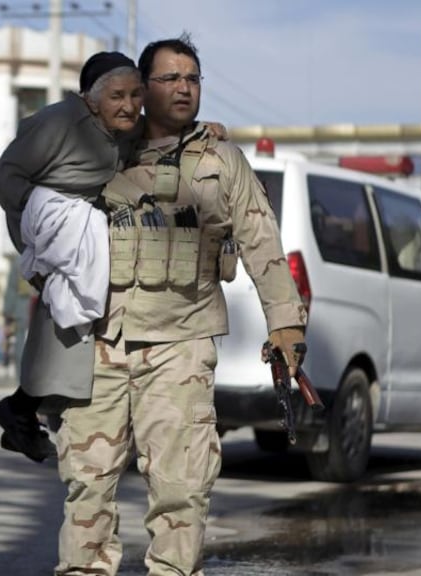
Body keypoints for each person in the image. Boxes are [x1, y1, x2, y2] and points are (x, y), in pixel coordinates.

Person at [55, 35, 308, 575]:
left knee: (181, 488)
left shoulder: (222, 159)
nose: (183, 88)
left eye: (192, 79)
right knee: (87, 485)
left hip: (182, 346)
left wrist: (285, 325)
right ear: (142, 88)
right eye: (169, 78)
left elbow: (262, 241)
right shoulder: (100, 149)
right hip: (101, 342)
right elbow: (38, 207)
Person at [0, 51, 145, 464]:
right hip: (43, 221)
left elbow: (168, 132)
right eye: (117, 96)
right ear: (90, 99)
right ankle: (25, 410)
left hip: (83, 226)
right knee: (70, 304)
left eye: (136, 94)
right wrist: (46, 220)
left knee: (69, 315)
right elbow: (6, 176)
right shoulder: (57, 123)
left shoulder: (129, 126)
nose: (128, 105)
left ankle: (24, 411)